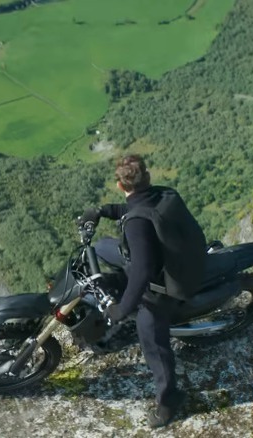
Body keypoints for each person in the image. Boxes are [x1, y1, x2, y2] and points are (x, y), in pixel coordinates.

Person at [78, 154, 186, 428]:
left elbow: (142, 271)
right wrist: (101, 211)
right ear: (147, 177)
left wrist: (122, 309)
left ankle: (169, 400)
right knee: (102, 246)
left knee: (151, 339)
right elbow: (133, 208)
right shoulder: (159, 194)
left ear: (119, 184)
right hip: (168, 255)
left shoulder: (137, 224)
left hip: (162, 281)